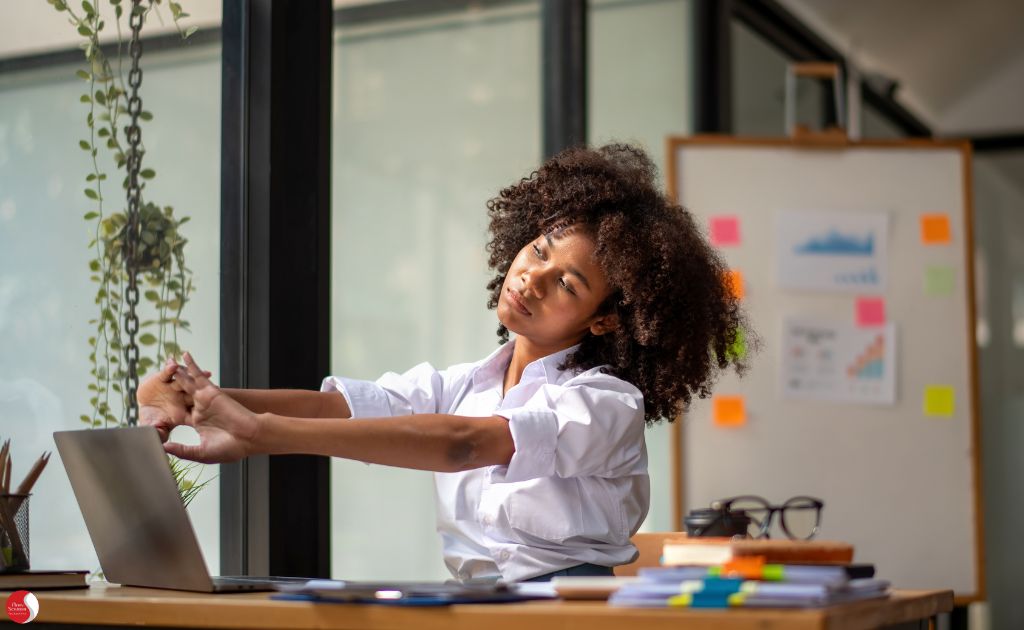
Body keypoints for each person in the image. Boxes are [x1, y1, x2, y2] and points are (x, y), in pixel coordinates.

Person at [138, 143, 748, 583]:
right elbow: (340, 407)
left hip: (566, 616)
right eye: (537, 250)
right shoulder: (469, 382)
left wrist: (265, 436)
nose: (531, 277)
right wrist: (192, 401)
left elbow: (462, 445)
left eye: (565, 281)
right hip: (476, 609)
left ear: (605, 319)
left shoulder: (607, 404)